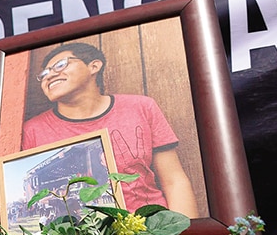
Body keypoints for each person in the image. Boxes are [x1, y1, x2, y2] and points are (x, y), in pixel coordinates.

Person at [20, 42, 198, 217]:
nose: (49, 76)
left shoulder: (141, 107)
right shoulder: (33, 130)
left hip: (152, 234)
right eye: (43, 74)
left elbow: (174, 181)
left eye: (60, 65)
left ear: (94, 66)